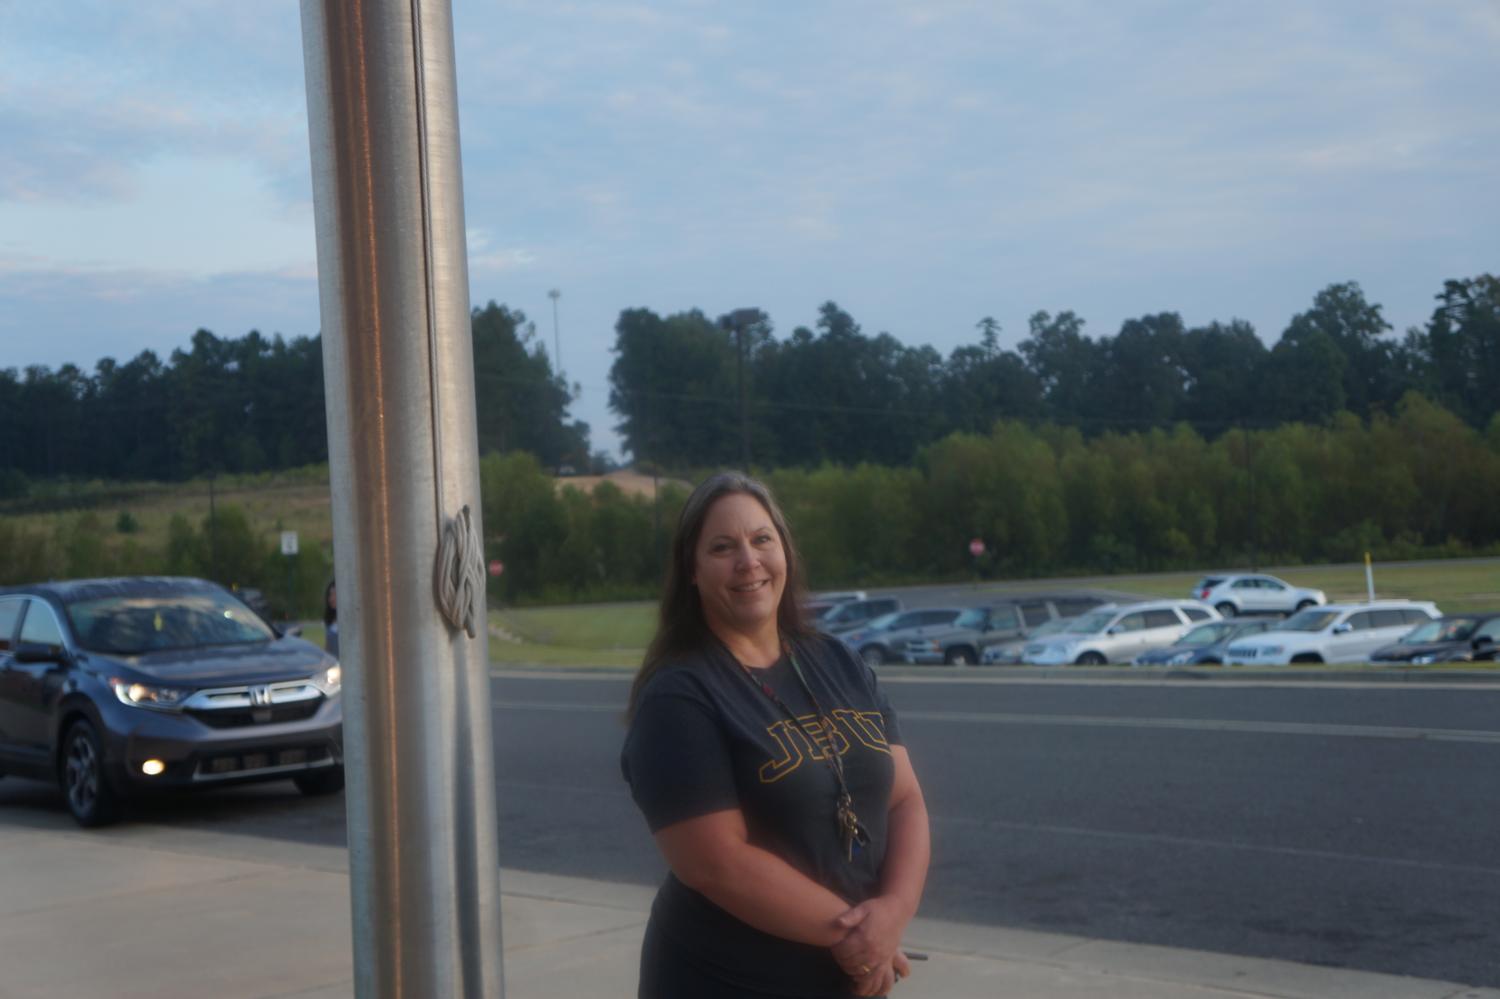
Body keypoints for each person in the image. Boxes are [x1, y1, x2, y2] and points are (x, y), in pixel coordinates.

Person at [621, 472, 930, 998]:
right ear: (691, 572)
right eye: (722, 547)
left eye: (762, 539)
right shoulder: (679, 696)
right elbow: (719, 864)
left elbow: (906, 800)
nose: (748, 561)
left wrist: (893, 915)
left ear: (784, 550)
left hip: (844, 973)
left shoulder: (839, 661)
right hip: (726, 980)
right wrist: (862, 936)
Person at [322, 580, 339, 657]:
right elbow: (327, 647)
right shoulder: (329, 620)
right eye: (330, 595)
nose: (331, 599)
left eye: (334, 594)